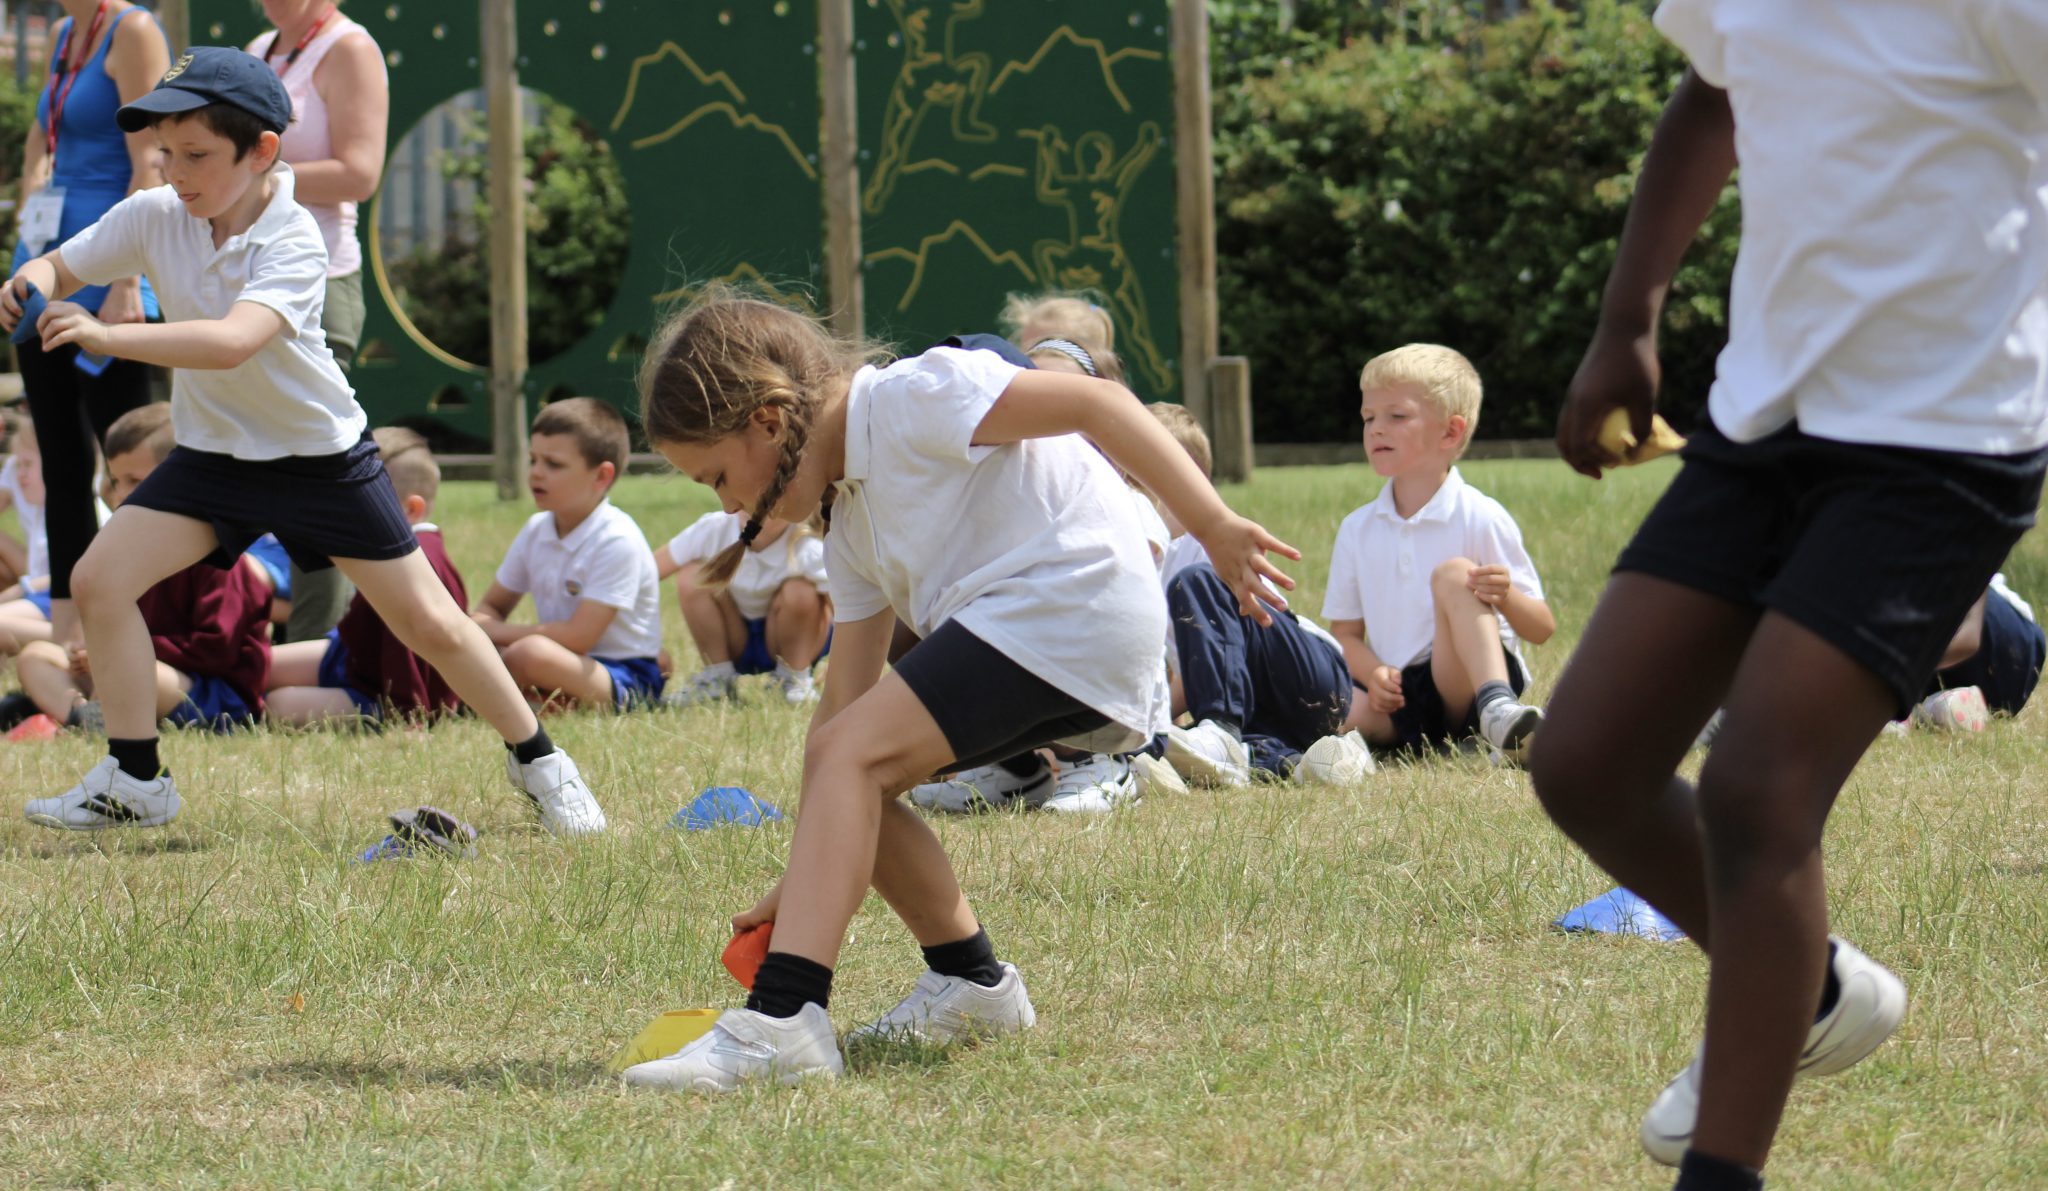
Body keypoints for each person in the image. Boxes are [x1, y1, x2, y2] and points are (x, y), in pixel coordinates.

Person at [1532, 3, 2048, 1187]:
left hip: (1945, 437)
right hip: (1766, 418)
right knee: (1585, 762)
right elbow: (1712, 92)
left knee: (1755, 788)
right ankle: (1804, 986)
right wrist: (1625, 320)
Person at [618, 293, 1295, 1092]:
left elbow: (1101, 403)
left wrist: (1211, 523)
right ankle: (972, 982)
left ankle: (784, 1020)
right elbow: (838, 721)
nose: (728, 505)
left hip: (1071, 611)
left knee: (850, 759)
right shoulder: (851, 521)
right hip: (1056, 637)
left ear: (768, 420)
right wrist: (804, 874)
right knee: (847, 765)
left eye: (719, 477)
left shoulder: (913, 397)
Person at [4, 48, 605, 835]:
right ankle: (135, 777)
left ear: (261, 152)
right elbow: (61, 262)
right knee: (98, 579)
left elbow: (232, 341)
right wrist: (33, 282)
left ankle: (542, 762)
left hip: (320, 461)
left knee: (430, 623)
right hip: (215, 458)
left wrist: (109, 334)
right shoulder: (154, 213)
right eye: (165, 153)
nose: (176, 172)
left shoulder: (293, 236)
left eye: (196, 155)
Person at [15, 0, 169, 665]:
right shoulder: (63, 32)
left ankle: (158, 630)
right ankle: (65, 638)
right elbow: (40, 135)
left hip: (109, 273)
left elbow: (152, 158)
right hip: (45, 268)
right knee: (61, 458)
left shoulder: (132, 30)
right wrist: (30, 189)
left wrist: (129, 279)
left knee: (134, 455)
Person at [1322, 344, 1552, 762]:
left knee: (1454, 574)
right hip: (1399, 697)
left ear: (1450, 432)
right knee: (1314, 701)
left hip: (1466, 683)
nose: (1376, 429)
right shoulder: (1357, 528)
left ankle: (1497, 713)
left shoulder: (1480, 515)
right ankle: (1264, 748)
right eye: (1369, 417)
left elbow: (1541, 628)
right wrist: (1374, 673)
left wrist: (1505, 596)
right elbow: (1345, 634)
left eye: (1396, 416)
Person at [247, 1, 389, 645]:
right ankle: (251, 635)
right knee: (252, 464)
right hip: (250, 281)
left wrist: (245, 174)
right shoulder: (261, 48)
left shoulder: (349, 48)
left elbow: (358, 173)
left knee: (313, 470)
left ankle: (315, 644)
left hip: (321, 285)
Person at [1144, 402, 1374, 786]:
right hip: (1257, 708)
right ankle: (1314, 761)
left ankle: (1220, 729)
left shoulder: (1207, 542)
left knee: (1195, 582)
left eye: (1141, 476)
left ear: (1191, 482)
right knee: (1208, 746)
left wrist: (1154, 723)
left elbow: (1243, 626)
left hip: (1307, 675)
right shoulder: (1146, 554)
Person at [15, 403, 269, 733]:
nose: (121, 494)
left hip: (211, 694)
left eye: (135, 481)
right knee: (36, 656)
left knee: (126, 666)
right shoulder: (126, 552)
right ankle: (83, 717)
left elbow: (216, 649)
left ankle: (92, 711)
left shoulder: (218, 558)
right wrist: (88, 650)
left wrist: (126, 650)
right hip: (133, 669)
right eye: (116, 481)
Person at [472, 398, 665, 711]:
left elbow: (578, 637)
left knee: (528, 654)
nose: (536, 473)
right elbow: (493, 605)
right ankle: (548, 701)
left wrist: (492, 631)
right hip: (565, 661)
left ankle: (541, 700)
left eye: (553, 464)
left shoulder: (616, 539)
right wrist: (481, 627)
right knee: (479, 650)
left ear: (601, 476)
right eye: (533, 460)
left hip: (623, 673)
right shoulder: (536, 529)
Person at [267, 426, 466, 724]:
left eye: (361, 506)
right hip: (352, 658)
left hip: (382, 690)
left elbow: (408, 648)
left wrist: (408, 712)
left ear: (411, 510)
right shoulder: (386, 553)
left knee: (277, 704)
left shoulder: (416, 564)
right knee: (259, 668)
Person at [659, 510, 831, 708]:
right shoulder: (714, 529)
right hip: (734, 636)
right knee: (693, 576)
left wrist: (840, 665)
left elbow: (845, 607)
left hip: (792, 639)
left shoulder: (807, 547)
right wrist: (648, 646)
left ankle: (794, 679)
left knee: (800, 592)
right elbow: (648, 572)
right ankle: (717, 678)